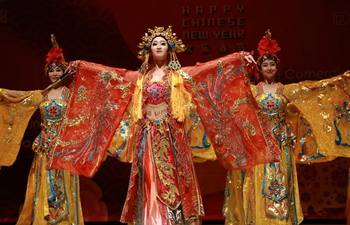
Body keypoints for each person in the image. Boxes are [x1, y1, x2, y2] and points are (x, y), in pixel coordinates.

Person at [49, 26, 281, 225]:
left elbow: (210, 68)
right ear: (148, 49)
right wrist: (80, 66)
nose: (158, 46)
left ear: (169, 48)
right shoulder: (140, 78)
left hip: (171, 136)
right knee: (148, 177)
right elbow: (109, 75)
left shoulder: (179, 75)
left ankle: (172, 219)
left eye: (162, 43)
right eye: (154, 44)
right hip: (147, 134)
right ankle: (150, 219)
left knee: (172, 179)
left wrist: (239, 57)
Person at [222, 29, 350, 225]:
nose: (269, 67)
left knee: (282, 182)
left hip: (281, 145)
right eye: (265, 64)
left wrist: (338, 81)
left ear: (277, 67)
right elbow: (231, 95)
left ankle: (282, 221)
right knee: (259, 182)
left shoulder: (286, 90)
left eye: (272, 64)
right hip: (260, 145)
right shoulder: (253, 91)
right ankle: (258, 219)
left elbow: (312, 90)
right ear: (260, 69)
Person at [0, 34, 84, 225]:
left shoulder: (69, 94)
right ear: (47, 73)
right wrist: (2, 92)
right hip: (45, 146)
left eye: (58, 70)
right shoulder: (42, 94)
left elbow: (80, 117)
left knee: (64, 184)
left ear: (63, 72)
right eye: (51, 70)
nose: (54, 73)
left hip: (63, 147)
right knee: (44, 184)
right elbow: (20, 97)